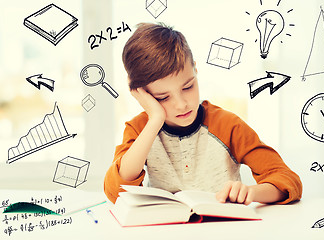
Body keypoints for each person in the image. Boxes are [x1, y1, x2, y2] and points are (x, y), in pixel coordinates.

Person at [104, 22, 302, 205]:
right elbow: (116, 192)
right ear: (143, 94)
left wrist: (251, 193)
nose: (181, 105)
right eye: (163, 97)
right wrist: (155, 119)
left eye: (188, 87)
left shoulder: (228, 125)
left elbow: (287, 180)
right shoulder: (140, 130)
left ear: (195, 70)